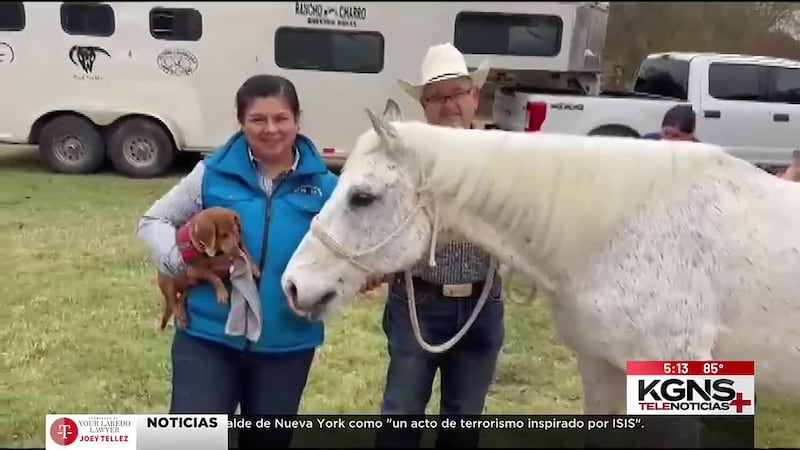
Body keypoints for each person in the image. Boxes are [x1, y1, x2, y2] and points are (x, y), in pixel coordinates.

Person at [135, 74, 338, 448]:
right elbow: (153, 222)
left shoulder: (327, 188)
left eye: (281, 118)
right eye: (257, 119)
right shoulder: (210, 174)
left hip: (287, 343)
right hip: (207, 340)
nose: (271, 129)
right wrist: (180, 264)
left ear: (297, 120)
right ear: (241, 122)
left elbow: (350, 249)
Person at [374, 43, 505, 449]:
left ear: (474, 98)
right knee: (401, 413)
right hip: (419, 303)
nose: (449, 105)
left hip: (483, 304)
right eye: (437, 97)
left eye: (457, 94)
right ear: (424, 106)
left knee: (464, 419)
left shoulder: (502, 158)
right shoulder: (402, 158)